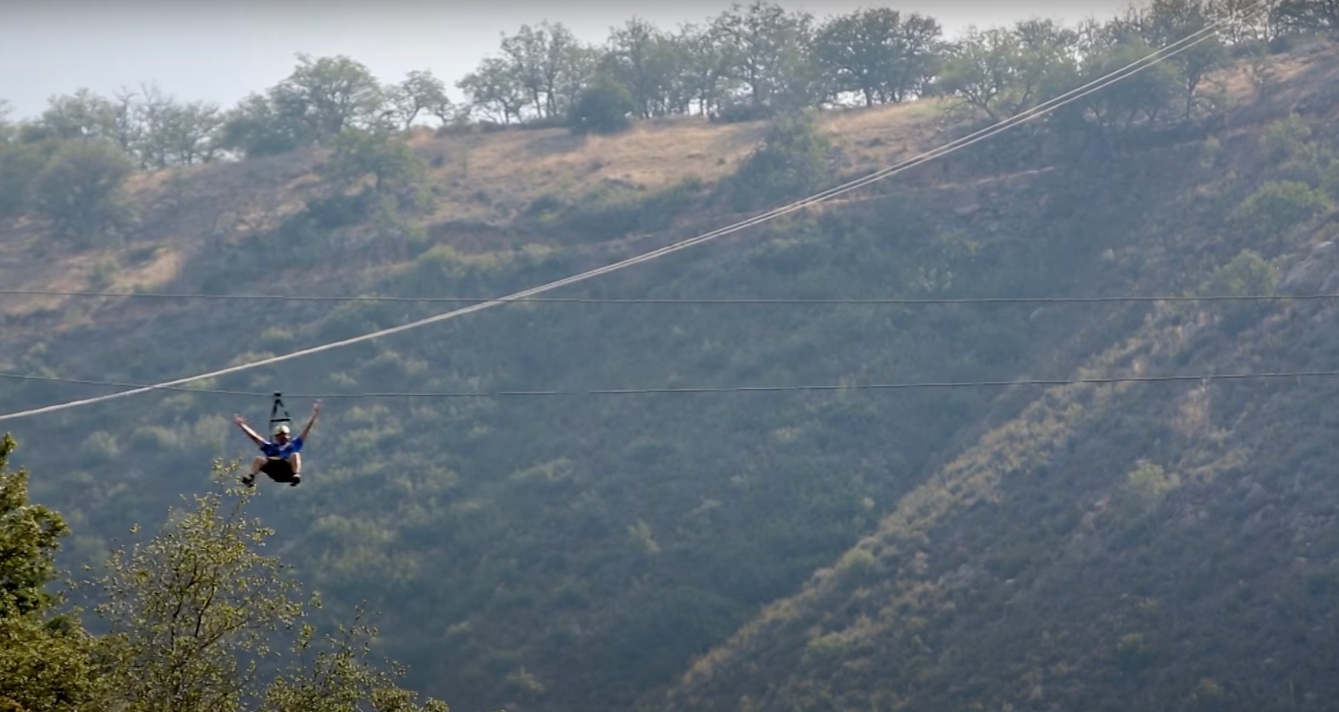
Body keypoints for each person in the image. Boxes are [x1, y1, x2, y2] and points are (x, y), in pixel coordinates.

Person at [233, 400, 321, 487]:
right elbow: (254, 437)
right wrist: (242, 425)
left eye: (284, 435)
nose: (282, 437)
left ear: (288, 436)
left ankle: (296, 475)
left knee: (295, 455)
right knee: (258, 460)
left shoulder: (293, 445)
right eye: (280, 436)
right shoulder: (270, 447)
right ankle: (251, 478)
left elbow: (306, 430)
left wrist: (315, 415)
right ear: (276, 437)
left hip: (288, 471)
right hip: (274, 471)